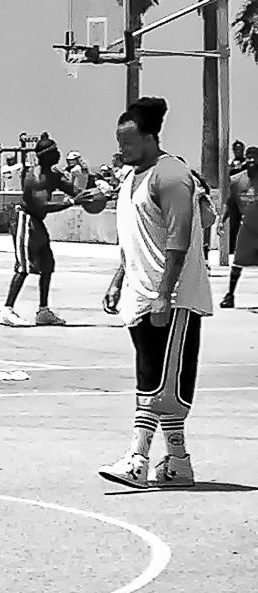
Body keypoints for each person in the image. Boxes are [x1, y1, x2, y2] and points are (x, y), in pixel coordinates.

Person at [97, 97, 214, 489]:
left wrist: (165, 294)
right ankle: (178, 463)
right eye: (119, 141)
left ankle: (137, 458)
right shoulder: (131, 177)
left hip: (172, 297)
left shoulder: (172, 176)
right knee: (159, 378)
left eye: (129, 142)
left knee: (155, 381)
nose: (122, 149)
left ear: (150, 137)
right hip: (140, 292)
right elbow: (137, 238)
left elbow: (178, 241)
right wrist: (118, 278)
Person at [0, 135, 83, 327]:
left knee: (47, 264)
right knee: (23, 267)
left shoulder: (54, 174)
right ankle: (6, 310)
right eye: (55, 151)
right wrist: (70, 203)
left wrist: (98, 196)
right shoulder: (34, 177)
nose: (59, 154)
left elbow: (74, 190)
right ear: (46, 155)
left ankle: (43, 311)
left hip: (37, 222)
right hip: (25, 220)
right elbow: (43, 205)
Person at [227, 152, 258, 309]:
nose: (252, 161)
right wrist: (222, 220)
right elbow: (230, 202)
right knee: (238, 262)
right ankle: (230, 295)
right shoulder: (237, 180)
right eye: (250, 158)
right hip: (247, 227)